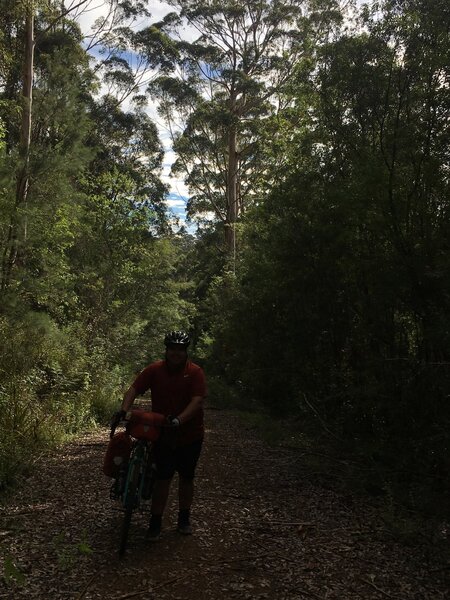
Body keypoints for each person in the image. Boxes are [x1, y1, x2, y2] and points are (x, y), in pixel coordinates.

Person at [111, 330, 207, 541]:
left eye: (180, 349)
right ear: (166, 350)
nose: (176, 353)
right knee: (163, 477)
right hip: (162, 432)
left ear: (185, 352)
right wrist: (123, 409)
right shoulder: (155, 369)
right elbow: (134, 388)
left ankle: (184, 518)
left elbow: (197, 401)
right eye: (172, 348)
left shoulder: (195, 372)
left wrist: (179, 420)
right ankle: (155, 522)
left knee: (186, 477)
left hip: (190, 434)